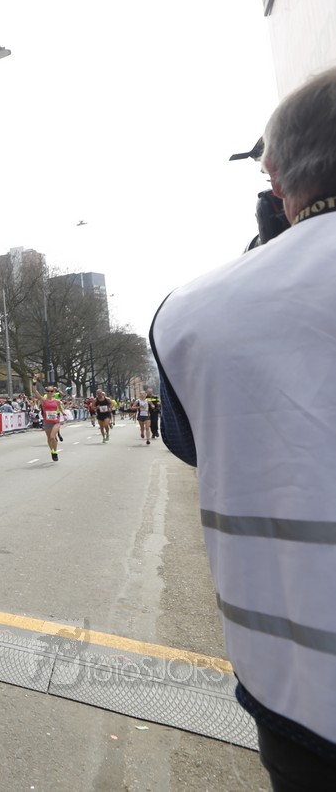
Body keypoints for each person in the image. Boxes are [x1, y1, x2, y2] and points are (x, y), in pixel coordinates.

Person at [150, 65, 336, 788]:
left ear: (273, 178)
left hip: (299, 696)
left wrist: (269, 254)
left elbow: (188, 441)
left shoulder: (190, 311)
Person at [39, 386, 62, 462]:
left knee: (52, 437)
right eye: (48, 391)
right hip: (47, 421)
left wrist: (64, 413)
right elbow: (35, 392)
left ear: (54, 392)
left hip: (56, 421)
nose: (50, 392)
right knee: (49, 438)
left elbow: (60, 408)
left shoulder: (57, 401)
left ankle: (55, 451)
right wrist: (34, 382)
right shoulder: (44, 400)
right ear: (46, 392)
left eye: (51, 391)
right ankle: (52, 451)